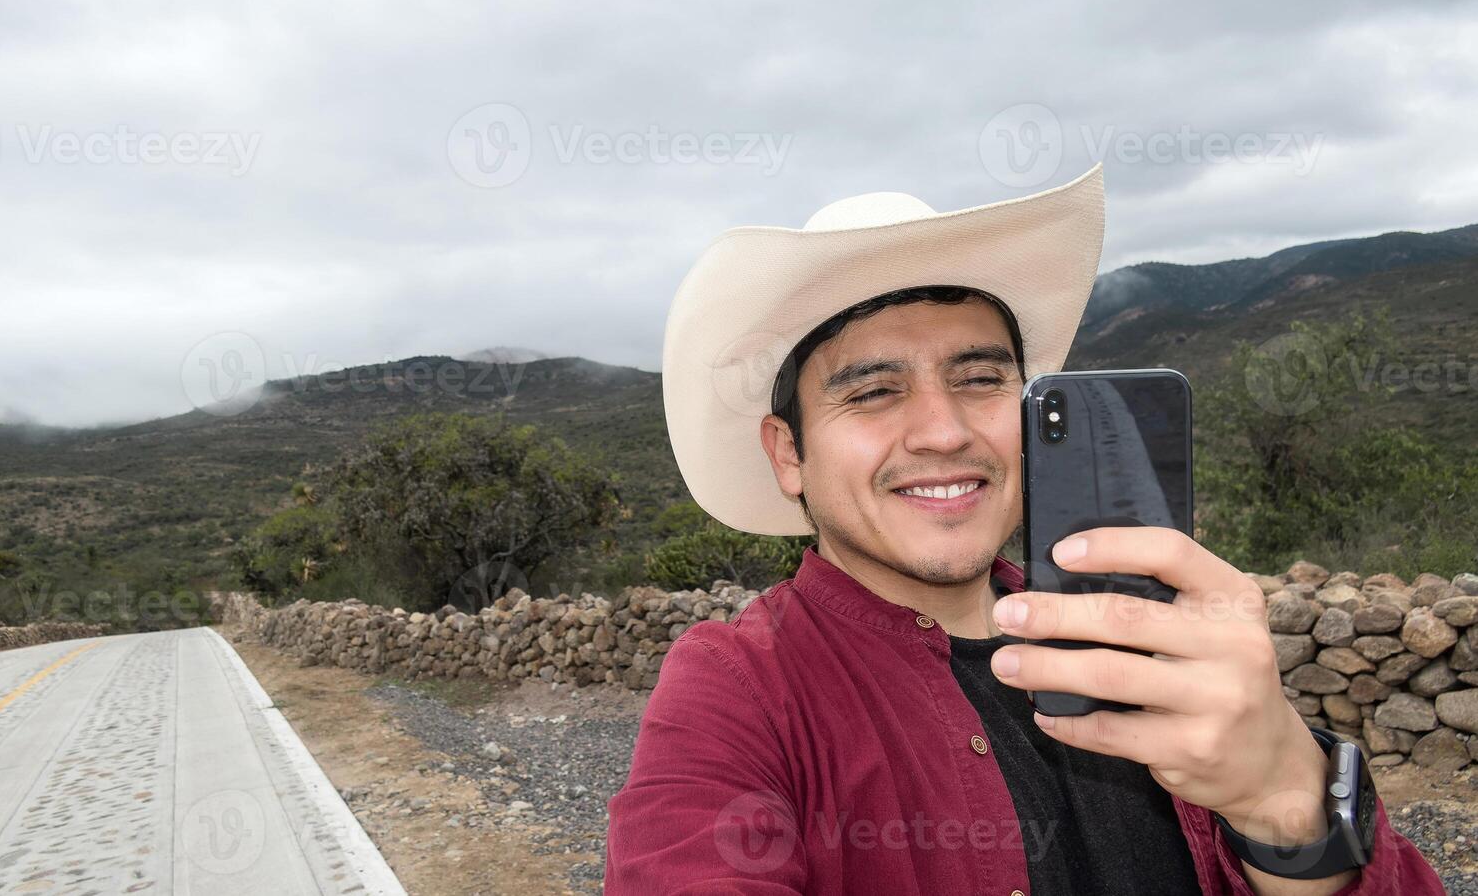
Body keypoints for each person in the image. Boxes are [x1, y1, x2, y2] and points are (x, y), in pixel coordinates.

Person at [603, 164, 1445, 895]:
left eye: (979, 379)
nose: (942, 432)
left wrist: (1288, 810)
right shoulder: (737, 687)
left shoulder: (1140, 636)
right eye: (871, 391)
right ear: (788, 454)